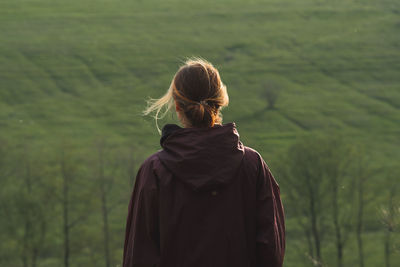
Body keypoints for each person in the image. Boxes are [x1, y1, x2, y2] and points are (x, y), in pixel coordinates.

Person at [122, 58, 285, 267]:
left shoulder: (154, 171)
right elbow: (271, 250)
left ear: (177, 106)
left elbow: (140, 256)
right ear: (221, 101)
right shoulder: (253, 166)